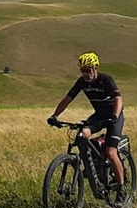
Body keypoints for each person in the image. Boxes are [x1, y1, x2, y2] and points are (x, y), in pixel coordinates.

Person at [48, 51, 125, 186]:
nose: (85, 74)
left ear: (96, 69)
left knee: (111, 153)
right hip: (99, 115)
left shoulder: (106, 79)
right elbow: (68, 99)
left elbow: (118, 99)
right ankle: (93, 167)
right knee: (82, 136)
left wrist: (114, 116)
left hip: (114, 116)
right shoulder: (82, 82)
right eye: (83, 70)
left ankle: (121, 188)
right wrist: (55, 116)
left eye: (88, 70)